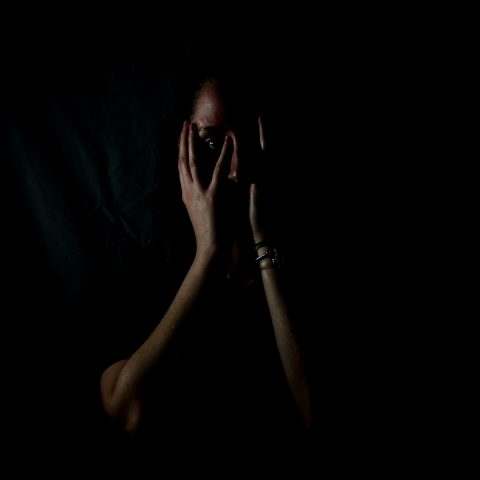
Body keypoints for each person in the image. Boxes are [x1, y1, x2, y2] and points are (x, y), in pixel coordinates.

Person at [98, 72, 315, 464]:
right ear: (182, 152)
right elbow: (125, 410)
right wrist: (208, 255)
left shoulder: (301, 269)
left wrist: (263, 240)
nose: (233, 169)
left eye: (246, 141)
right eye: (213, 142)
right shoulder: (149, 274)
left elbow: (316, 419)